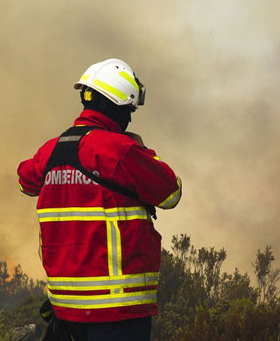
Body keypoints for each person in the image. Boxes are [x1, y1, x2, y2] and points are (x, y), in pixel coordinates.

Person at [17, 58, 182, 341]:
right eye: (129, 110)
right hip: (117, 309)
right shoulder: (120, 151)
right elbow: (170, 192)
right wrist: (144, 153)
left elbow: (25, 179)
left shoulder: (51, 151)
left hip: (66, 307)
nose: (129, 118)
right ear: (116, 108)